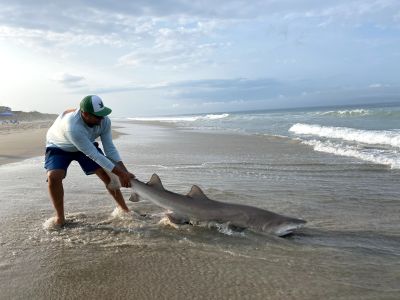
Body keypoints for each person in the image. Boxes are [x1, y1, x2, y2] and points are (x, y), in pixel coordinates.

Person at [44, 95, 135, 226]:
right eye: (98, 116)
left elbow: (110, 148)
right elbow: (95, 156)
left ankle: (125, 209)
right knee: (54, 176)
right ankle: (60, 217)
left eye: (103, 114)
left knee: (106, 174)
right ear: (85, 114)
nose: (102, 119)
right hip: (59, 145)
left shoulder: (104, 121)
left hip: (86, 143)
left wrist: (124, 172)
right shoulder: (73, 127)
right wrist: (121, 174)